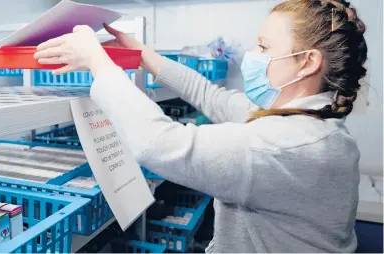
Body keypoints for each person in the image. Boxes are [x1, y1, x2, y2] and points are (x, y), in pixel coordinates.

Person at [34, 0, 368, 252]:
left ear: (308, 62)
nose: (253, 55)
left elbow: (157, 144)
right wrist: (143, 56)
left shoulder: (286, 145)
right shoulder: (306, 122)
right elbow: (210, 95)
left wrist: (98, 64)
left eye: (264, 47)